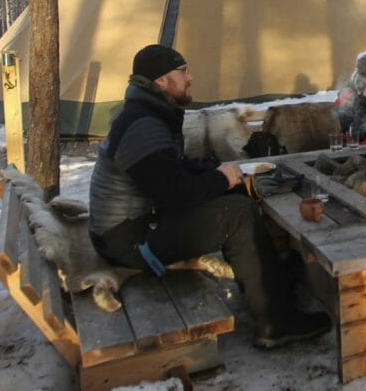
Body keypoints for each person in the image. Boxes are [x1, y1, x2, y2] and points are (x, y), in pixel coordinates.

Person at [88, 44, 331, 349]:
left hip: (133, 224)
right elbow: (175, 193)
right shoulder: (143, 126)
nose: (190, 78)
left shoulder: (150, 113)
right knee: (237, 214)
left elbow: (174, 167)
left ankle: (273, 282)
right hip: (127, 238)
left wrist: (220, 171)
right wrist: (219, 179)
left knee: (236, 195)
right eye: (183, 72)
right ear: (161, 80)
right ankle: (275, 322)